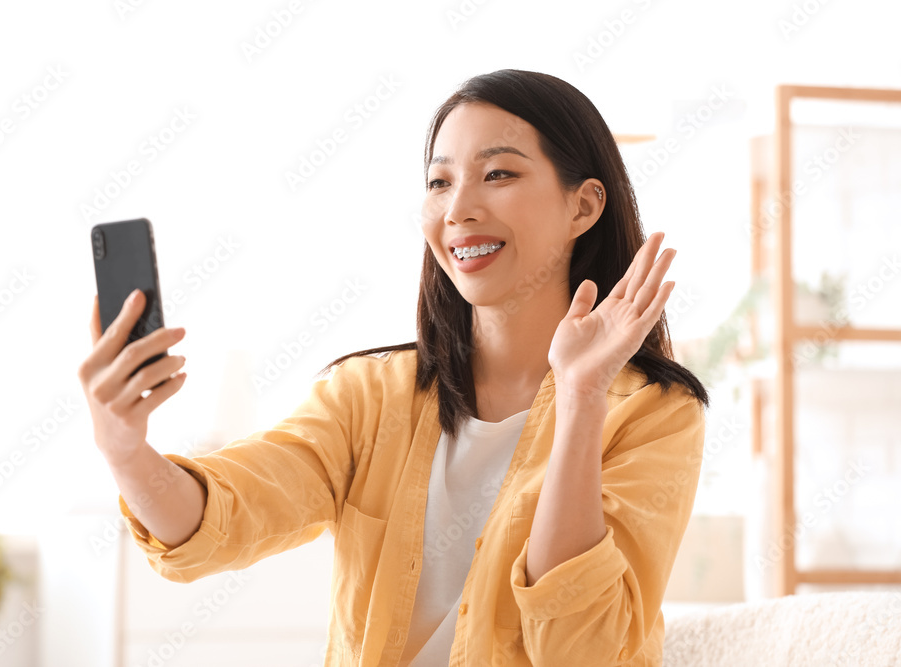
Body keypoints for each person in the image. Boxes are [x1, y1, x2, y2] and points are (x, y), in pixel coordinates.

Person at [78, 69, 709, 666]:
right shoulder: (367, 396)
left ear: (583, 206)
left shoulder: (654, 415)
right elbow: (224, 517)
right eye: (439, 182)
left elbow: (583, 651)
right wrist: (126, 451)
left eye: (498, 174)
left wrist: (579, 395)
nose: (458, 208)